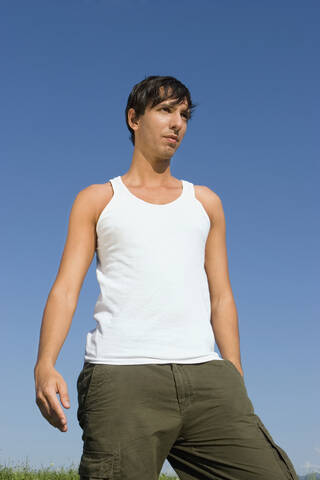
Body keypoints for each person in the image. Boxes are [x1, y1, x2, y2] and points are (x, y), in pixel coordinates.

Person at [34, 75, 298, 480]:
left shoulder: (206, 203)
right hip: (122, 375)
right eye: (164, 110)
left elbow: (222, 295)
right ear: (133, 118)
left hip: (207, 376)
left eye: (184, 114)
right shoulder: (97, 200)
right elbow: (66, 289)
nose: (177, 123)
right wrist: (45, 363)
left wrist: (234, 370)